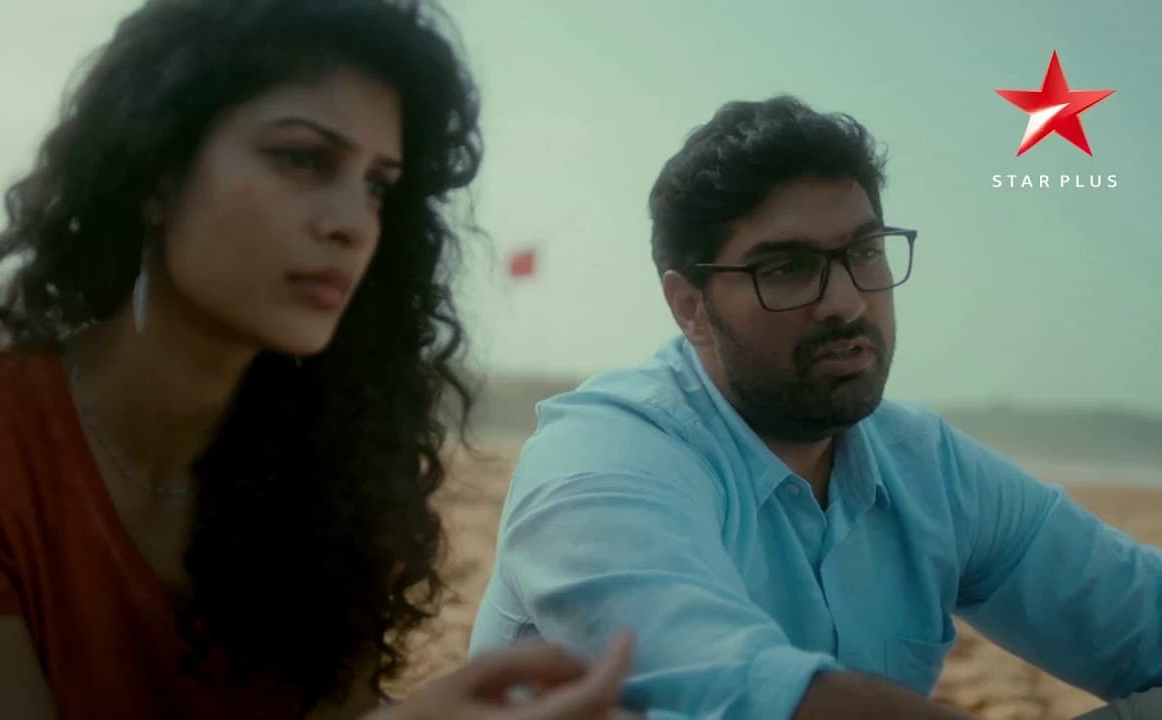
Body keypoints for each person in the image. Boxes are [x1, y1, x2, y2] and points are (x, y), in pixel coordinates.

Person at [0, 1, 638, 718]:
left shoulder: (322, 479)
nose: (352, 223)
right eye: (301, 158)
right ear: (157, 170)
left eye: (378, 187)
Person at [469, 95, 1162, 719]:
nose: (847, 302)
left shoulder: (925, 467)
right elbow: (735, 694)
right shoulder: (601, 457)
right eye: (786, 269)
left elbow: (1140, 616)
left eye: (865, 252)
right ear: (690, 307)